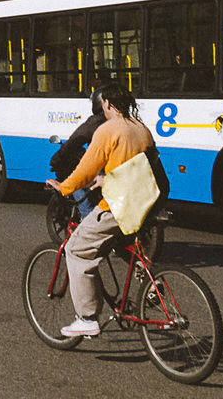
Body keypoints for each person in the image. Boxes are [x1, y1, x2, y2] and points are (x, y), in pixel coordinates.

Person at [46, 83, 160, 339]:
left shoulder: (107, 130)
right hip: (143, 203)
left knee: (76, 250)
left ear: (107, 103)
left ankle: (87, 318)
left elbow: (85, 171)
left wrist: (64, 188)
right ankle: (153, 283)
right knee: (120, 244)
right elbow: (136, 166)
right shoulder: (141, 129)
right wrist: (106, 179)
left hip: (118, 206)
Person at [51, 88, 109, 221]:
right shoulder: (127, 121)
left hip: (105, 167)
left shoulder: (96, 122)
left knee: (78, 183)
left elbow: (75, 141)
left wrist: (58, 158)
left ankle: (88, 218)